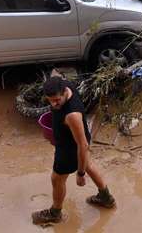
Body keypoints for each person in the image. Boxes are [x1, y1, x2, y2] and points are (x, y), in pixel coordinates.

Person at [31, 76, 115, 226]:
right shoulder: (67, 85)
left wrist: (80, 174)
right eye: (50, 100)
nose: (53, 104)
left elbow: (82, 146)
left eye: (57, 100)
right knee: (87, 163)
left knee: (57, 179)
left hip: (70, 149)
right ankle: (106, 197)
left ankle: (55, 213)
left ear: (64, 93)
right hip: (75, 138)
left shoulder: (72, 115)